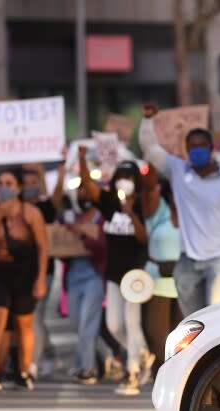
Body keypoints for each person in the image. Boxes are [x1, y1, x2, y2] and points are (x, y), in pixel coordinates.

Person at [138, 103, 220, 316]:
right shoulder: (177, 171)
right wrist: (147, 121)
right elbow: (150, 148)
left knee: (217, 319)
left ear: (211, 148)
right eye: (192, 146)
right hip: (187, 261)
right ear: (187, 149)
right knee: (193, 323)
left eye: (202, 145)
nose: (197, 150)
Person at [79, 147, 153, 396]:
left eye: (129, 177)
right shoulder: (110, 202)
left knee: (132, 324)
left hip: (135, 275)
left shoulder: (143, 204)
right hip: (113, 273)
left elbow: (144, 239)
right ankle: (143, 353)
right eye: (121, 176)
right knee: (114, 325)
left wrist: (131, 213)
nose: (125, 181)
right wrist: (81, 159)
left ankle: (132, 372)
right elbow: (89, 188)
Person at [0, 169, 48, 391]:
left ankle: (24, 371)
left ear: (18, 188)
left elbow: (43, 247)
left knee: (24, 325)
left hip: (24, 274)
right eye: (1, 183)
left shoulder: (31, 213)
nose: (5, 187)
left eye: (9, 183)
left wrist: (40, 278)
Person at [59, 179, 108, 384]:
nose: (83, 196)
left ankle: (87, 369)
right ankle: (92, 361)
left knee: (88, 324)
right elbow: (59, 246)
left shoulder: (100, 219)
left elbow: (103, 248)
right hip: (73, 278)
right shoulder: (69, 218)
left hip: (93, 277)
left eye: (87, 192)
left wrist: (83, 236)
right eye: (80, 192)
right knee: (77, 324)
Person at [21, 164, 65, 377]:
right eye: (26, 183)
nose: (30, 187)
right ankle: (46, 353)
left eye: (34, 183)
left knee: (35, 317)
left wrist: (45, 172)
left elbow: (53, 199)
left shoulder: (43, 209)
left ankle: (32, 363)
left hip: (42, 273)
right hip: (16, 274)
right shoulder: (12, 207)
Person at [140, 173, 182, 376]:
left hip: (186, 278)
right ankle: (165, 371)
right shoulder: (158, 210)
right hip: (158, 279)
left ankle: (178, 373)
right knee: (156, 332)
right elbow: (148, 188)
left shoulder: (192, 209)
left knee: (182, 334)